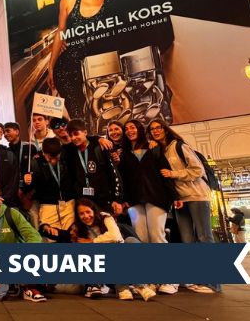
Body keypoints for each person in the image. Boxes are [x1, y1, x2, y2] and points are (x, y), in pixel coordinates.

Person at [148, 118, 217, 294]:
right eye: (152, 129)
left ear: (165, 129)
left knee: (204, 237)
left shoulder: (178, 146)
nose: (156, 131)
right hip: (180, 199)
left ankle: (213, 282)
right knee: (187, 241)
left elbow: (198, 170)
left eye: (159, 128)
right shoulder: (160, 150)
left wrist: (173, 173)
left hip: (196, 195)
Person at [46, 0, 114, 117]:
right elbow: (60, 32)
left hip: (97, 70)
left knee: (100, 115)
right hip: (67, 69)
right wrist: (51, 66)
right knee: (79, 117)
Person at [72, 198, 156, 301]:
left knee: (130, 241)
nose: (86, 216)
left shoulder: (105, 217)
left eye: (88, 212)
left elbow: (116, 237)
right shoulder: (78, 229)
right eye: (81, 214)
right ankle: (125, 288)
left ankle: (139, 286)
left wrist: (92, 241)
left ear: (94, 210)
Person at [118, 120, 177, 244]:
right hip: (134, 201)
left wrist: (174, 196)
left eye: (132, 127)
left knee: (157, 236)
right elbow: (123, 179)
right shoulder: (124, 154)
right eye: (126, 129)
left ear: (139, 129)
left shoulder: (153, 148)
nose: (129, 131)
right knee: (140, 237)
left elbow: (165, 173)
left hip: (156, 198)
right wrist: (123, 200)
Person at [64, 119, 124, 214]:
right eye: (70, 135)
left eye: (76, 134)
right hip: (82, 201)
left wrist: (117, 199)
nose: (73, 138)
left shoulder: (100, 147)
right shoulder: (70, 151)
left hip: (103, 200)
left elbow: (114, 173)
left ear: (85, 132)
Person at [32, 138, 76, 237]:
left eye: (56, 157)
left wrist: (98, 139)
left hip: (68, 203)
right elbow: (33, 186)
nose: (52, 160)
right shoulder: (36, 162)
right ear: (43, 152)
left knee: (71, 234)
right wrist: (28, 180)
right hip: (48, 205)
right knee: (49, 234)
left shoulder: (67, 157)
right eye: (49, 157)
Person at [5, 121, 40, 227]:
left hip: (30, 194)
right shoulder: (6, 151)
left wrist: (29, 194)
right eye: (4, 132)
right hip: (14, 195)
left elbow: (37, 171)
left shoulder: (30, 147)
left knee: (34, 220)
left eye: (8, 131)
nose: (5, 134)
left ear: (17, 131)